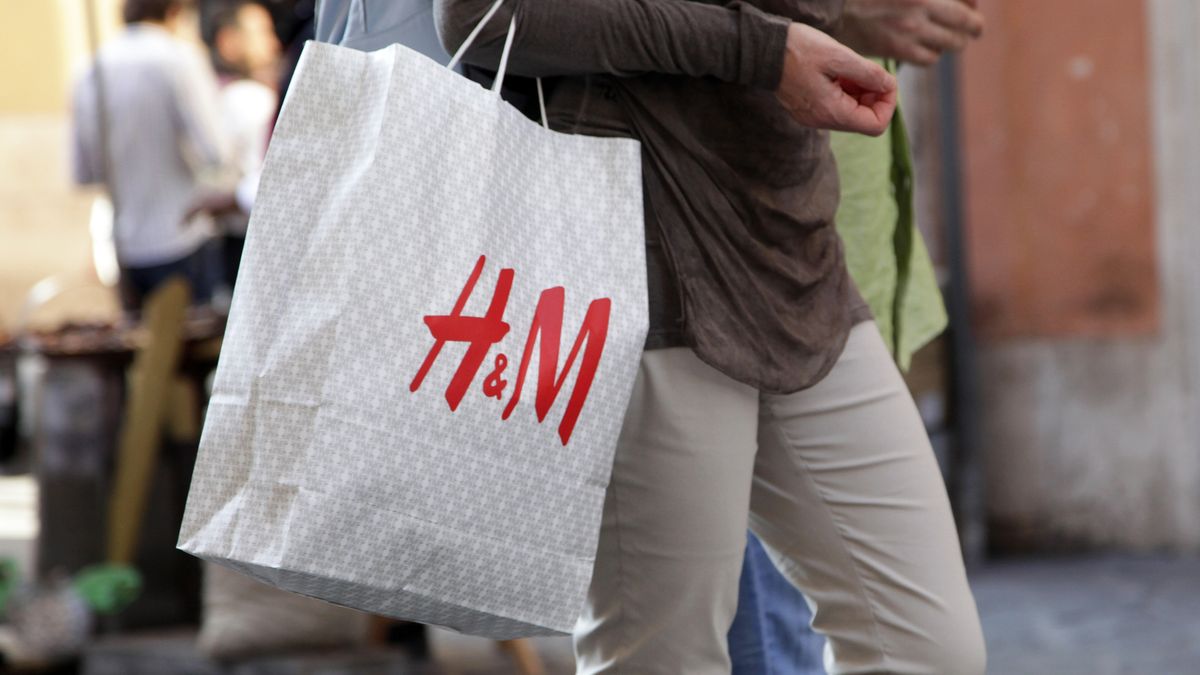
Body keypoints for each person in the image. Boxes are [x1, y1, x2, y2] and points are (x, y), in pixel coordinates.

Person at [322, 0, 987, 671]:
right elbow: (485, 15)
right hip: (640, 256)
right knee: (664, 656)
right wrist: (762, 50)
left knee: (927, 646)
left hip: (793, 248)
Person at [727, 2, 983, 671]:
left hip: (833, 244)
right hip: (718, 240)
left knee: (918, 641)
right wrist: (840, 10)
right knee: (757, 644)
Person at [71, 0, 230, 311]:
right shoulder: (177, 58)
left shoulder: (89, 68)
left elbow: (84, 172)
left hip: (125, 245)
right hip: (183, 236)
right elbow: (217, 151)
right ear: (175, 12)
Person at [203, 0, 282, 292]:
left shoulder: (218, 95)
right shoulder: (249, 99)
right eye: (261, 33)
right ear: (229, 41)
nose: (272, 44)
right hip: (249, 241)